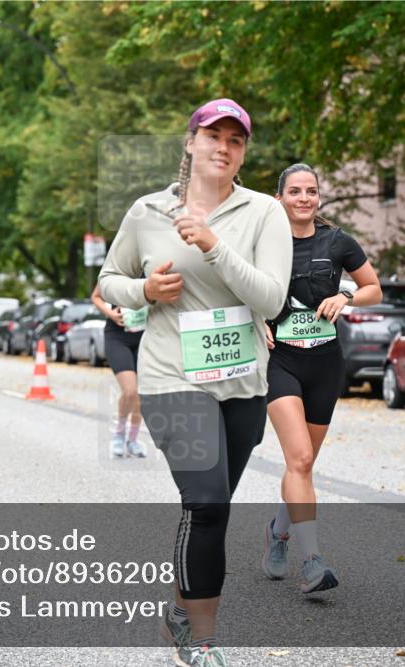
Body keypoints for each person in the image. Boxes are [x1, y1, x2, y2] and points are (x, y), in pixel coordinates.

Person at [99, 99, 292, 667]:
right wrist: (143, 293)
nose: (224, 147)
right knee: (205, 503)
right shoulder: (147, 212)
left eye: (236, 139)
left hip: (242, 379)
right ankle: (203, 643)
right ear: (190, 142)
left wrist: (212, 243)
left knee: (215, 508)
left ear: (243, 153)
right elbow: (110, 280)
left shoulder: (265, 213)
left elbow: (272, 298)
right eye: (214, 135)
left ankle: (179, 607)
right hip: (170, 376)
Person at [261, 163, 382, 593]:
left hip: (326, 364)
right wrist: (256, 321)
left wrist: (345, 294)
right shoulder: (263, 245)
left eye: (311, 191)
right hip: (281, 363)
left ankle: (279, 530)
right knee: (300, 459)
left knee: (304, 464)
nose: (304, 198)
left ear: (319, 198)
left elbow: (373, 288)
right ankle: (312, 561)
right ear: (280, 199)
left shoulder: (338, 241)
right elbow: (238, 289)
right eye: (295, 191)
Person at [91, 283, 146, 458]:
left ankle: (132, 440)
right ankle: (119, 434)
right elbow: (96, 296)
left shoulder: (153, 265)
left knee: (141, 394)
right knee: (130, 391)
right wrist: (111, 314)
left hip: (145, 336)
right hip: (118, 336)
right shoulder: (119, 265)